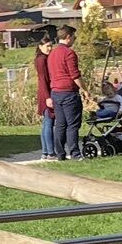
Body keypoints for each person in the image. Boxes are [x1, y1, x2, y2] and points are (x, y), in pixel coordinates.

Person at [48, 25, 86, 160]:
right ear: (68, 37)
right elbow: (75, 75)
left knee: (60, 124)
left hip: (55, 92)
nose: (75, 39)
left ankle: (60, 153)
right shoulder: (69, 53)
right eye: (74, 37)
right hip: (68, 92)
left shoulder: (52, 54)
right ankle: (75, 153)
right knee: (72, 124)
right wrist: (85, 90)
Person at [31, 34, 56, 159]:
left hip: (45, 92)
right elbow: (43, 79)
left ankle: (46, 152)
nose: (50, 48)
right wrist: (47, 97)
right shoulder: (41, 60)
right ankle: (50, 152)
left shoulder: (44, 58)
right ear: (40, 46)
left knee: (46, 123)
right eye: (47, 46)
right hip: (46, 93)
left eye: (51, 46)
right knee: (49, 122)